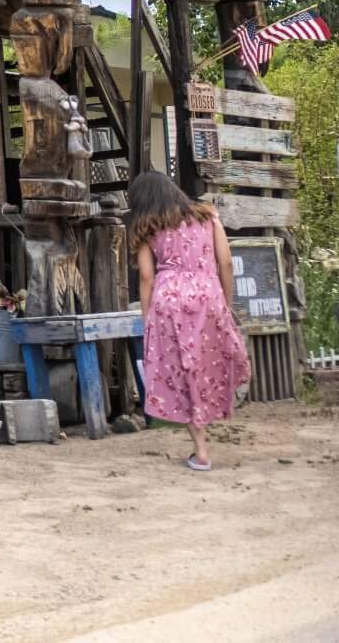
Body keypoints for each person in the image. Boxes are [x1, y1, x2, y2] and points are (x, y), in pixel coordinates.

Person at [131, 169, 251, 471]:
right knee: (206, 363)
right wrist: (224, 300)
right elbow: (225, 261)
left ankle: (201, 449)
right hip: (207, 295)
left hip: (169, 301)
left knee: (180, 371)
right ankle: (209, 420)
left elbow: (146, 276)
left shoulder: (146, 226)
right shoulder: (208, 216)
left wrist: (147, 320)